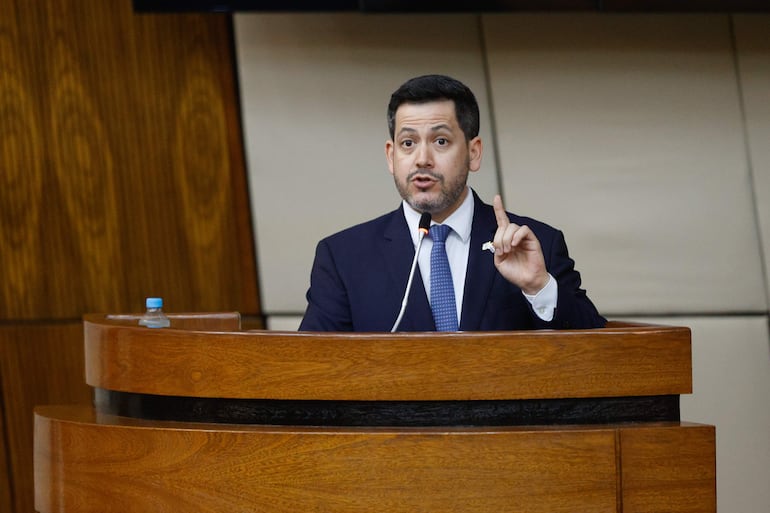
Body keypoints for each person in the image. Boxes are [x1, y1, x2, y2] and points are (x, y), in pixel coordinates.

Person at [299, 74, 605, 332]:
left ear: (474, 152)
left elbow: (599, 352)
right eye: (408, 143)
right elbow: (311, 370)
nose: (422, 159)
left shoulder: (538, 244)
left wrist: (539, 287)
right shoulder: (343, 257)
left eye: (440, 141)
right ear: (391, 155)